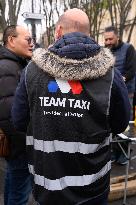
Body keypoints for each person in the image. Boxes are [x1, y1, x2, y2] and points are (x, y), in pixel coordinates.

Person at [12, 9, 130, 205]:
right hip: (92, 188)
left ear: (58, 31)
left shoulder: (31, 72)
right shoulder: (111, 76)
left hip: (46, 185)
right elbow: (120, 125)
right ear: (90, 35)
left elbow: (18, 121)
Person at [0, 25, 33, 205]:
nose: (32, 44)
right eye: (28, 39)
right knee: (19, 195)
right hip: (19, 145)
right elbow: (9, 114)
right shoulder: (8, 67)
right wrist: (26, 144)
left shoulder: (15, 64)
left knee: (13, 186)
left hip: (16, 145)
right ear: (11, 40)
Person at [104, 26, 136, 165]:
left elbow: (131, 70)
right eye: (106, 39)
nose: (108, 41)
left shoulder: (129, 49)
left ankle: (124, 153)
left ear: (117, 37)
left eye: (110, 38)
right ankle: (114, 151)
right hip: (110, 93)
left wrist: (118, 81)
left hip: (126, 92)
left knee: (124, 122)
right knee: (111, 122)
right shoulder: (106, 51)